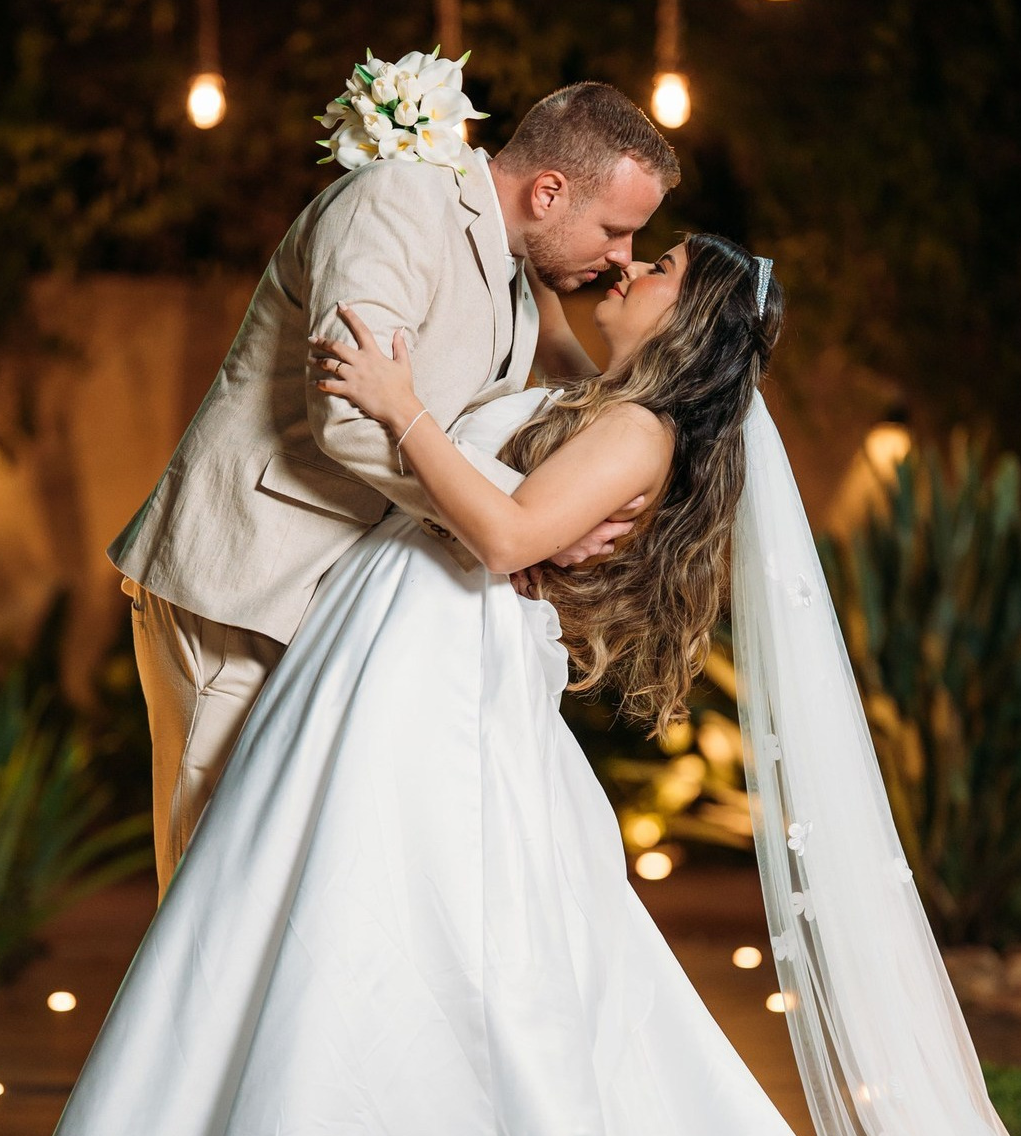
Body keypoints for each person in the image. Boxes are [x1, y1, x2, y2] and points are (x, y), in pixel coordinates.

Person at [12, 236, 1021, 1136]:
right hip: (398, 662)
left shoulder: (638, 432)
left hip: (440, 681)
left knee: (389, 929)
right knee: (351, 918)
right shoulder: (591, 403)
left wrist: (399, 408)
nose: (626, 270)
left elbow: (506, 534)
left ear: (687, 317)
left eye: (652, 265)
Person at [106, 82, 680, 898]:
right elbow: (348, 415)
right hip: (244, 582)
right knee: (213, 879)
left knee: (292, 888)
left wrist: (560, 511)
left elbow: (470, 422)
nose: (624, 254)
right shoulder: (398, 205)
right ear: (549, 191)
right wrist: (510, 524)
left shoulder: (523, 275)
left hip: (337, 604)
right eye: (617, 228)